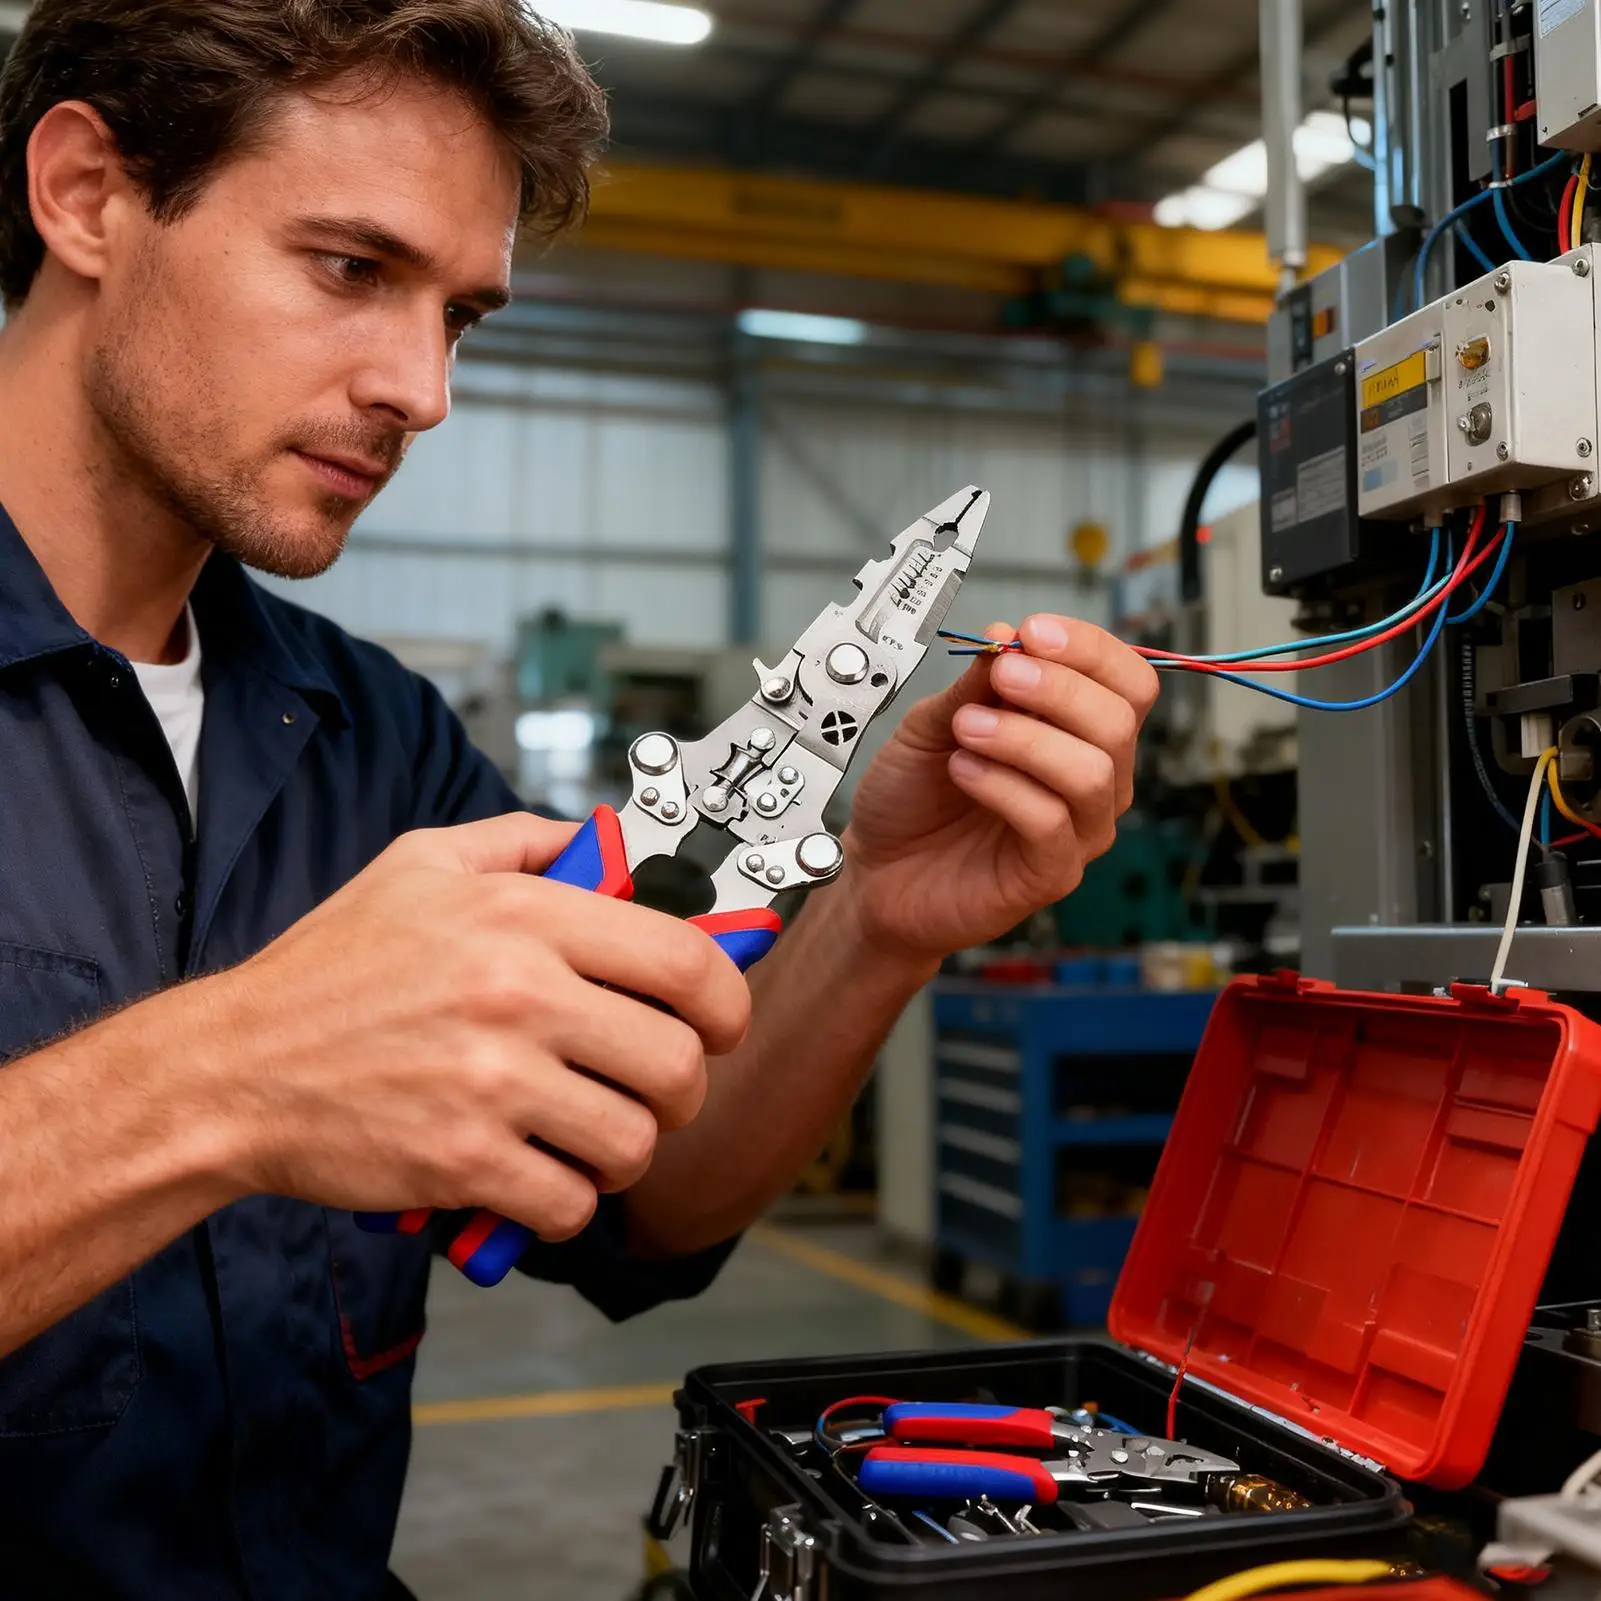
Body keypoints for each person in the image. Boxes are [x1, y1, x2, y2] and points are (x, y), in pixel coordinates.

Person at [0, 1, 1161, 1595]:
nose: (423, 389)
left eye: (461, 315)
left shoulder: (377, 745)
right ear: (87, 195)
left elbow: (643, 1202)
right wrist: (228, 1081)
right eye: (349, 268)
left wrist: (883, 916)